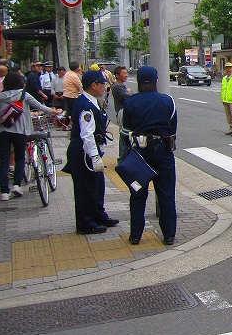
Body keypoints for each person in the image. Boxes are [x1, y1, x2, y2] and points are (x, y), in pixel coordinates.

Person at [121, 66, 178, 246]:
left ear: (138, 82)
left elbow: (125, 132)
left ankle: (136, 235)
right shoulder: (167, 101)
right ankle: (169, 235)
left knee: (137, 194)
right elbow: (172, 129)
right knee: (166, 194)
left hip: (139, 153)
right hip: (163, 151)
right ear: (156, 81)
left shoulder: (130, 103)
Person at [63, 70, 117, 234]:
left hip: (90, 149)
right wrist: (94, 156)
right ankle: (86, 223)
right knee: (86, 188)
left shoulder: (90, 100)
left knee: (97, 185)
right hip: (83, 151)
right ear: (94, 85)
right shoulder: (86, 105)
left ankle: (98, 215)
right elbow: (86, 135)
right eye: (103, 83)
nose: (105, 86)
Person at [0, 71, 62, 201]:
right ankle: (17, 185)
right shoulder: (23, 95)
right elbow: (39, 106)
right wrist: (54, 112)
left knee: (4, 161)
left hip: (3, 132)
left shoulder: (0, 97)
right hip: (21, 132)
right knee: (20, 158)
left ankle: (4, 192)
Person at [112, 66, 133, 162]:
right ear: (117, 75)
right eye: (124, 73)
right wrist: (129, 92)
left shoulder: (121, 86)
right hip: (122, 112)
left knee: (125, 135)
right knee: (124, 135)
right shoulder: (117, 87)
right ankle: (121, 159)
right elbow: (128, 97)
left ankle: (124, 158)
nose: (126, 75)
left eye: (126, 73)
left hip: (123, 111)